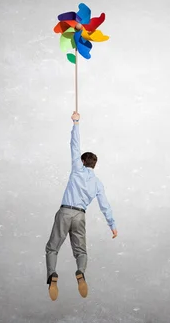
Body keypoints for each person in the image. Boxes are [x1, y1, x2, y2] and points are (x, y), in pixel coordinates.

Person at [45, 111, 118, 301]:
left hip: (65, 211)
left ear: (83, 162)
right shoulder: (98, 183)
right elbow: (105, 205)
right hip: (80, 216)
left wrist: (76, 123)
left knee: (53, 248)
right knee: (81, 251)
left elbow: (74, 146)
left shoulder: (77, 169)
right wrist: (112, 225)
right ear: (94, 164)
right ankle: (80, 272)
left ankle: (52, 274)